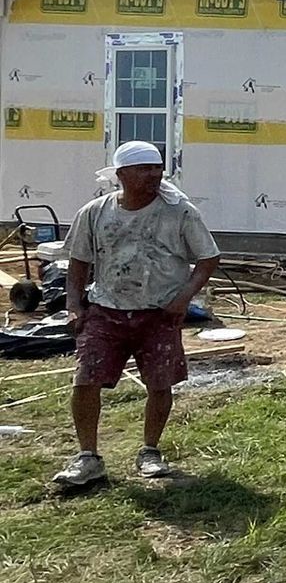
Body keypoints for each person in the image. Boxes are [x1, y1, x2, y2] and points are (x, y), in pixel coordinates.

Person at [50, 141, 221, 490]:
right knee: (85, 380)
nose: (154, 175)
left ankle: (150, 451)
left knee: (160, 382)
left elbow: (208, 259)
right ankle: (88, 458)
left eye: (158, 168)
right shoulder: (95, 212)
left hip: (158, 313)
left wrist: (184, 298)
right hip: (106, 310)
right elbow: (79, 261)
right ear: (122, 175)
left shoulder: (180, 212)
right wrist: (73, 305)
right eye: (144, 169)